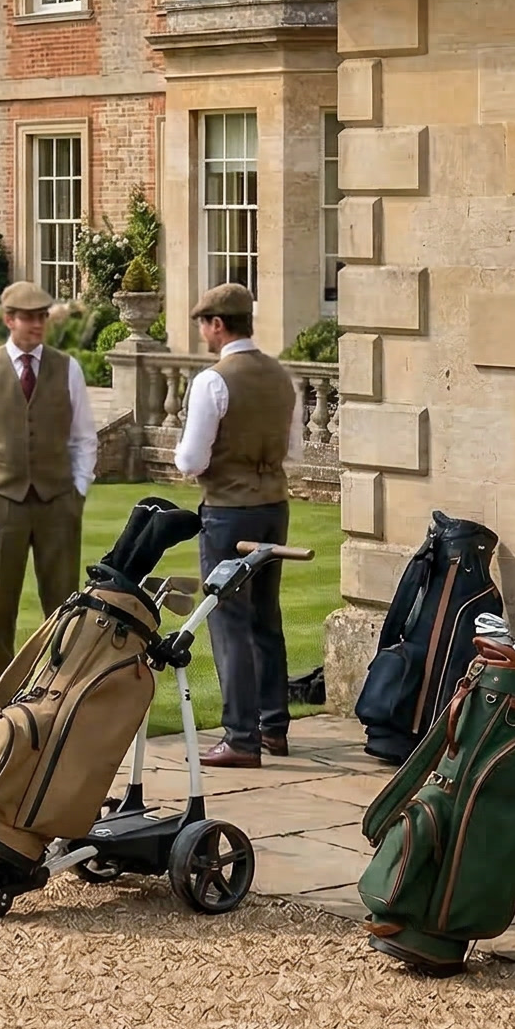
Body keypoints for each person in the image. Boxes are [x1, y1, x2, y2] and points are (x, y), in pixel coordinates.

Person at [175, 282, 304, 769]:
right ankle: (274, 728)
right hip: (275, 505)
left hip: (229, 510)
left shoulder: (214, 381)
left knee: (229, 621)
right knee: (265, 617)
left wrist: (192, 465)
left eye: (204, 325)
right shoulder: (280, 375)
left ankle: (240, 738)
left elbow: (191, 458)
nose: (204, 334)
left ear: (216, 324)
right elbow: (295, 451)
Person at [0, 280, 98, 691]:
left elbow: (84, 437)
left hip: (57, 500)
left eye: (42, 317)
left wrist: (79, 489)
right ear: (8, 319)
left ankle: (62, 684)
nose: (37, 325)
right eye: (28, 318)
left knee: (64, 600)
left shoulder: (68, 368)